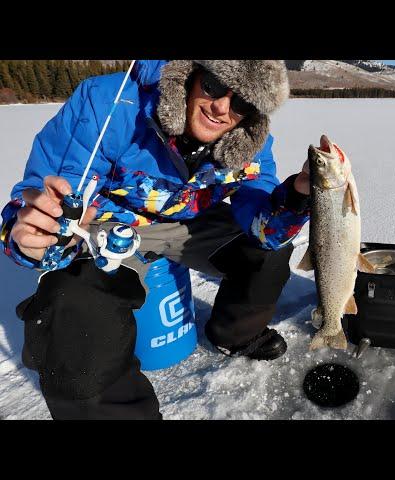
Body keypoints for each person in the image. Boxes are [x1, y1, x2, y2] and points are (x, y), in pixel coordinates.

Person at [0, 60, 312, 419]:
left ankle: (235, 334)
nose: (222, 108)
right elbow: (51, 194)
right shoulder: (110, 103)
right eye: (213, 85)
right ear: (191, 74)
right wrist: (33, 235)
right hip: (106, 223)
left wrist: (296, 198)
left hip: (188, 223)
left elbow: (264, 223)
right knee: (70, 305)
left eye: (242, 102)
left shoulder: (250, 143)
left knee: (268, 252)